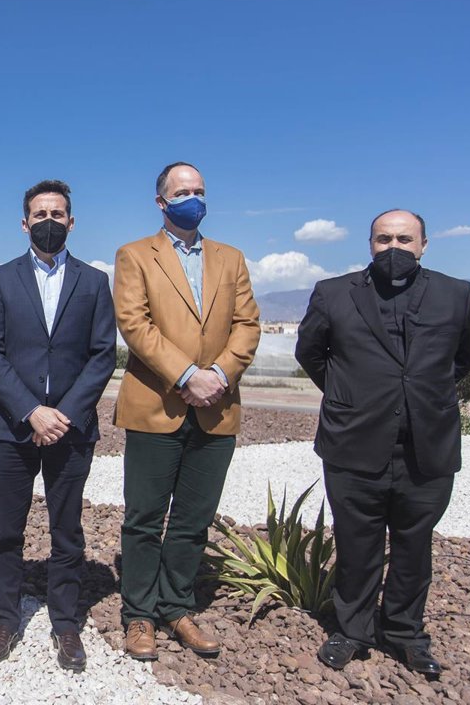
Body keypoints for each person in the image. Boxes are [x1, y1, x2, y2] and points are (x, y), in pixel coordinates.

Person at [295, 209, 470, 677]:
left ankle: (405, 633)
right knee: (357, 543)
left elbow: (462, 359)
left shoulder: (456, 294)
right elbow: (311, 353)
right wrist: (351, 396)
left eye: (404, 239)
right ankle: (352, 630)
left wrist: (419, 397)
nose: (393, 247)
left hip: (427, 445)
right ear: (370, 243)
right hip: (354, 441)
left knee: (415, 546)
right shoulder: (334, 293)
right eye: (384, 239)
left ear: (423, 244)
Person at [112, 161, 260, 662]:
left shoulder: (231, 258)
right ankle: (139, 614)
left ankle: (176, 607)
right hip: (156, 406)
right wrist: (186, 375)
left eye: (198, 190)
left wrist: (217, 374)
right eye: (181, 192)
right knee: (144, 517)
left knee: (194, 519)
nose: (192, 199)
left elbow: (247, 325)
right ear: (161, 202)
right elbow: (135, 324)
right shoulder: (135, 255)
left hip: (217, 407)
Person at [0, 180, 117, 672]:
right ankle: (5, 620)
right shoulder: (0, 279)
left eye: (57, 215)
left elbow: (103, 354)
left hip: (71, 429)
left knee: (67, 531)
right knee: (5, 531)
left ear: (71, 222)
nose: (49, 222)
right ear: (24, 223)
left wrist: (65, 413)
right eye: (40, 215)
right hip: (12, 427)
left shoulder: (94, 282)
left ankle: (65, 624)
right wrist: (31, 411)